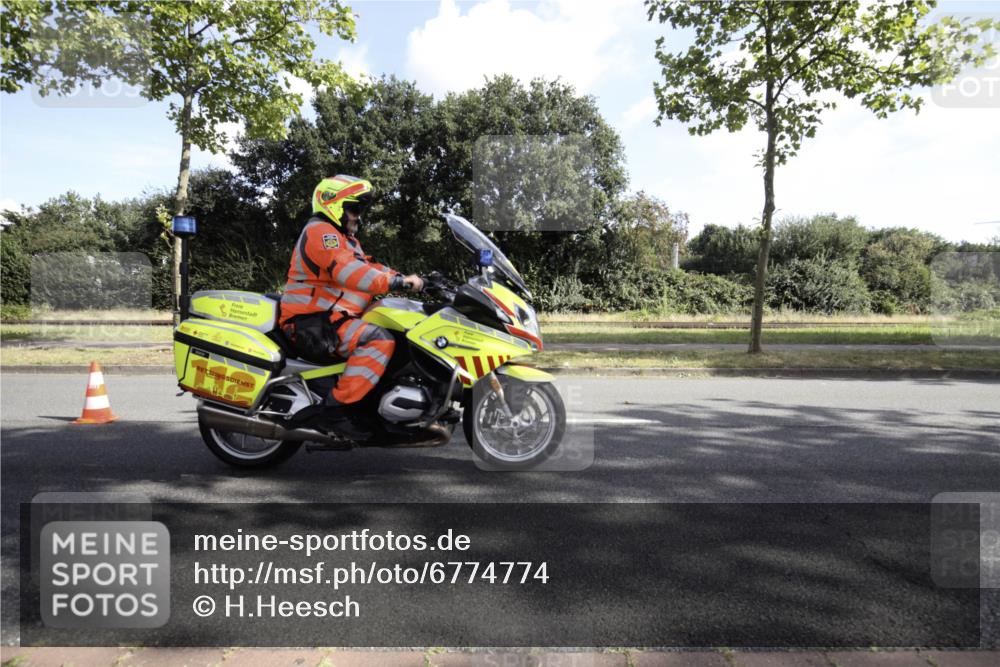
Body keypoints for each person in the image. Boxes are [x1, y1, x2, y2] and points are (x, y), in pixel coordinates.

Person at [279, 175, 423, 433]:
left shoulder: (345, 239)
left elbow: (369, 267)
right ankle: (336, 411)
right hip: (311, 322)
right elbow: (348, 271)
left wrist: (406, 278)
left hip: (331, 319)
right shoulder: (320, 232)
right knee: (379, 340)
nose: (358, 216)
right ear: (333, 205)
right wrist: (397, 284)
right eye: (354, 208)